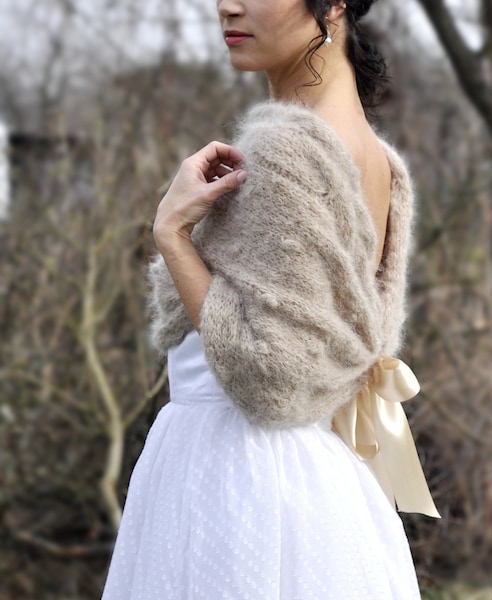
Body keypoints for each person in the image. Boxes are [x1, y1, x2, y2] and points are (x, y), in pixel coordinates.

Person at [101, 0, 439, 598]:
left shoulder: (289, 150)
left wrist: (172, 237)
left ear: (332, 4)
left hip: (240, 477)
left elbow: (267, 376)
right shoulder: (370, 152)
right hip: (317, 481)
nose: (227, 6)